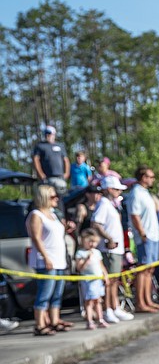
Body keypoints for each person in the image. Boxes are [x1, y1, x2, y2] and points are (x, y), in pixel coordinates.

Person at [26, 182, 72, 336]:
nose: (56, 199)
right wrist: (46, 257)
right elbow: (36, 238)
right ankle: (39, 324)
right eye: (53, 196)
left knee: (57, 293)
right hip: (46, 259)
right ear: (44, 197)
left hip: (59, 259)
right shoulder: (36, 215)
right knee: (45, 293)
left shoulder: (53, 214)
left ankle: (55, 320)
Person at [86, 176, 133, 323]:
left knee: (114, 280)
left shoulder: (110, 204)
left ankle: (114, 306)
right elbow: (96, 223)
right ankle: (108, 309)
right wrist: (109, 239)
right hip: (109, 250)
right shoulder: (103, 204)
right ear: (109, 189)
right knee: (109, 281)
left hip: (115, 249)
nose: (119, 192)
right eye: (116, 189)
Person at [128, 166, 159, 313]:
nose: (153, 179)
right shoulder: (136, 193)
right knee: (143, 269)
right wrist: (142, 233)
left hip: (153, 235)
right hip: (145, 236)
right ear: (143, 177)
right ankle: (140, 302)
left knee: (150, 269)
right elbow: (134, 215)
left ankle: (148, 300)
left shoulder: (146, 193)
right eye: (150, 176)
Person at [73, 229, 109, 329]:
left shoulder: (97, 252)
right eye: (90, 241)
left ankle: (100, 319)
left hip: (97, 280)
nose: (92, 244)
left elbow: (101, 265)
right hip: (88, 281)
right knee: (89, 301)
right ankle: (89, 320)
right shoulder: (80, 253)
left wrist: (105, 275)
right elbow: (79, 268)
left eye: (95, 242)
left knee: (98, 300)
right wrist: (86, 260)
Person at [32, 125, 70, 193]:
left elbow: (66, 160)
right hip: (47, 178)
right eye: (46, 134)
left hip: (60, 177)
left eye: (49, 133)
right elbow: (36, 160)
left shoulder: (60, 146)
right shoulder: (39, 146)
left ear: (54, 134)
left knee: (61, 195)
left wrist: (67, 173)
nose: (47, 136)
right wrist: (41, 174)